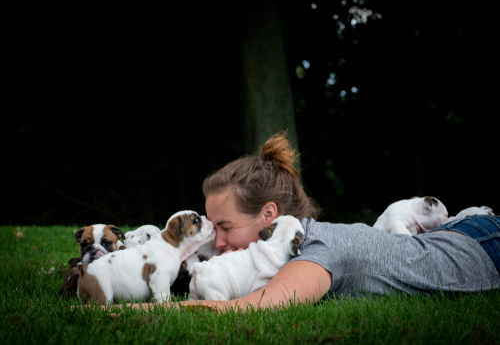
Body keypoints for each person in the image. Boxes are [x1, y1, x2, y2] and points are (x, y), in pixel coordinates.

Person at [117, 132, 500, 312]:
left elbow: (248, 308)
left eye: (226, 227)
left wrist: (120, 310)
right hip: (454, 234)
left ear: (269, 215)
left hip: (480, 246)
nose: (216, 242)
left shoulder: (316, 253)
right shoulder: (283, 246)